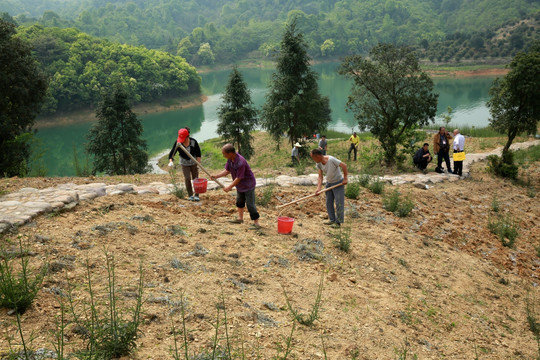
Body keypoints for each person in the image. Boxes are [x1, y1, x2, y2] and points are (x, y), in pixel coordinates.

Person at [211, 144, 261, 229]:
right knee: (239, 202)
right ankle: (240, 218)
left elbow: (239, 178)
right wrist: (216, 176)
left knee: (250, 204)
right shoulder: (230, 159)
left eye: (224, 154)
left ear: (230, 153)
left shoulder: (241, 162)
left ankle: (256, 223)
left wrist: (229, 187)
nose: (224, 156)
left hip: (248, 185)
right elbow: (227, 171)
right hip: (240, 186)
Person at [310, 149, 348, 228]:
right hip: (329, 183)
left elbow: (344, 165)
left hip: (338, 183)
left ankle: (338, 223)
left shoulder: (331, 159)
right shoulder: (319, 163)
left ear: (318, 156)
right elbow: (320, 176)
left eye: (313, 158)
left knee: (339, 203)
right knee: (328, 202)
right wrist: (318, 188)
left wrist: (345, 178)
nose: (313, 160)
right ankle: (331, 219)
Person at [168, 128, 202, 201]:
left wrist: (198, 164)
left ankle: (196, 195)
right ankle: (190, 195)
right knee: (187, 178)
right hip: (184, 163)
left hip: (193, 162)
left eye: (184, 138)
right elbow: (171, 154)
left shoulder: (193, 142)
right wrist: (170, 161)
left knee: (195, 178)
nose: (182, 140)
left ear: (188, 136)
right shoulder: (178, 143)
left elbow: (198, 154)